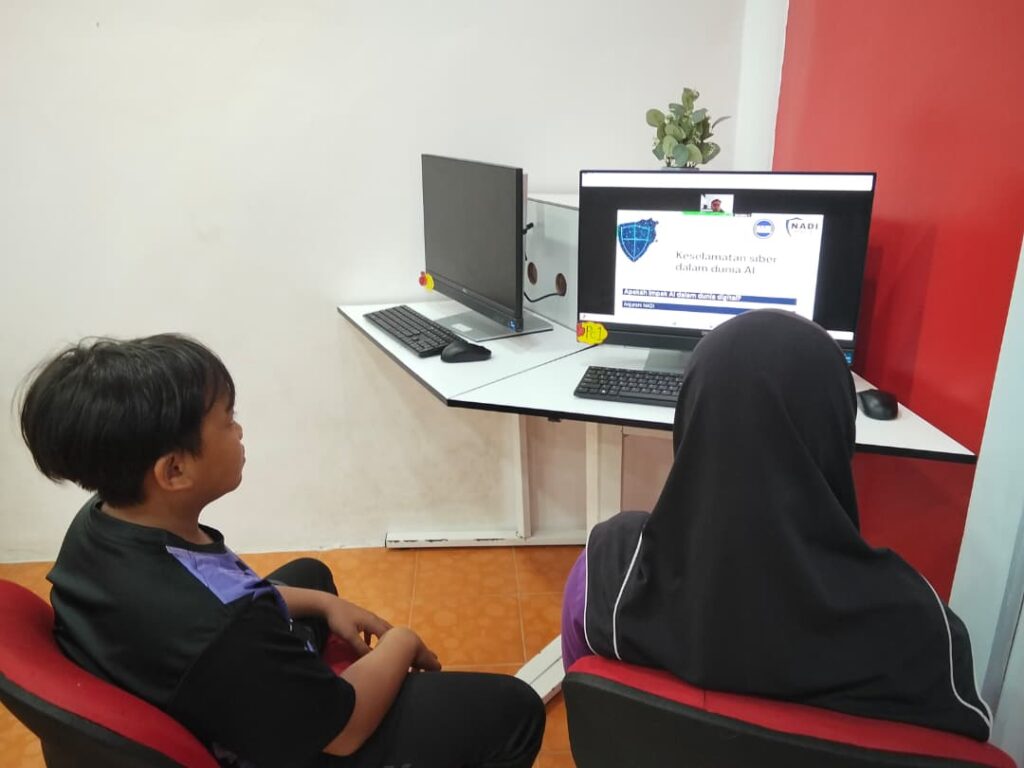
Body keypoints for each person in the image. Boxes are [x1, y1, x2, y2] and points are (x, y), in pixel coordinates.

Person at [19, 334, 544, 768]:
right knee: (512, 709)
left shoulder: (101, 521)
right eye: (227, 419)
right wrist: (402, 642)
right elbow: (344, 731)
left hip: (183, 679)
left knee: (310, 576)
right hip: (285, 735)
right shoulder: (222, 630)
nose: (239, 429)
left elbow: (226, 594)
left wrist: (324, 603)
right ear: (174, 471)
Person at [561, 309, 993, 741]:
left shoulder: (605, 577)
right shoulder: (919, 633)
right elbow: (964, 747)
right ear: (837, 434)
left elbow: (595, 716)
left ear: (690, 418)